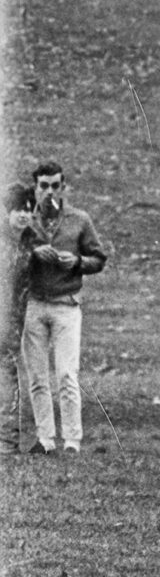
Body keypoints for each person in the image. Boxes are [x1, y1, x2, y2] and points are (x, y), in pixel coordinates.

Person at [20, 162, 108, 456]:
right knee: (37, 377)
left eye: (55, 185)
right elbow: (9, 255)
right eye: (43, 186)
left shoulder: (78, 220)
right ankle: (45, 439)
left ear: (64, 187)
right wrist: (32, 254)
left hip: (66, 305)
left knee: (67, 374)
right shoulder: (24, 221)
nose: (49, 192)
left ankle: (72, 440)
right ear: (35, 187)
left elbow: (99, 257)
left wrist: (78, 262)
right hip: (33, 303)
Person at [2, 179, 36, 455]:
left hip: (14, 322)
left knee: (8, 378)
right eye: (18, 209)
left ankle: (8, 441)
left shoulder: (32, 243)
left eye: (29, 208)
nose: (24, 214)